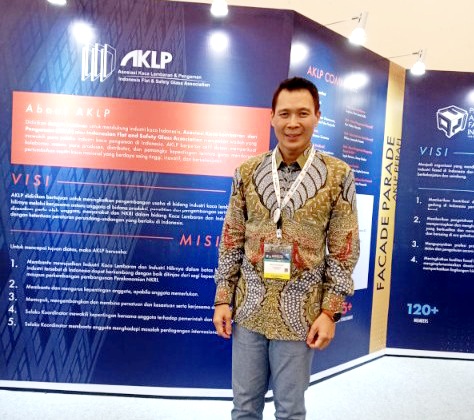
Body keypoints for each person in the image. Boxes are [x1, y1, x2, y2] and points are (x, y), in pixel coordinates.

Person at [213, 76, 360, 420]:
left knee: (290, 411)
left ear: (317, 116)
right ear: (272, 117)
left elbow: (343, 249)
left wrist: (329, 312)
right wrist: (222, 298)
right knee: (244, 408)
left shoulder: (338, 175)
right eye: (285, 114)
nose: (293, 123)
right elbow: (232, 238)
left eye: (303, 113)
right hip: (248, 309)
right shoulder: (247, 172)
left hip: (300, 315)